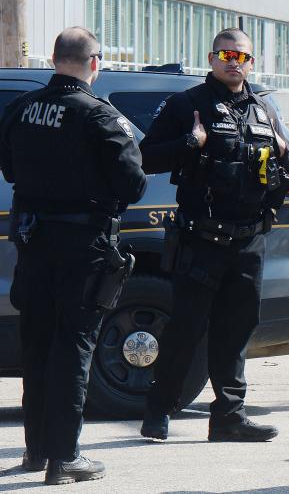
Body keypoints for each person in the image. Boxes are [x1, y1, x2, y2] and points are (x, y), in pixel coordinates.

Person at [0, 27, 146, 485]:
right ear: (95, 63)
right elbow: (134, 184)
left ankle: (36, 451)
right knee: (75, 346)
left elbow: (8, 166)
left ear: (53, 58)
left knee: (38, 343)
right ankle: (65, 457)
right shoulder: (99, 115)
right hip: (83, 247)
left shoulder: (21, 109)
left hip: (33, 241)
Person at [139, 28, 289, 442]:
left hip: (249, 241)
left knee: (236, 330)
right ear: (211, 58)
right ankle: (159, 410)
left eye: (241, 56)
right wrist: (191, 141)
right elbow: (146, 157)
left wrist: (283, 158)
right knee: (186, 328)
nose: (233, 62)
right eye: (225, 54)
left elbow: (286, 166)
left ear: (251, 62)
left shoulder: (262, 108)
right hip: (201, 240)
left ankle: (229, 415)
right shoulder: (187, 104)